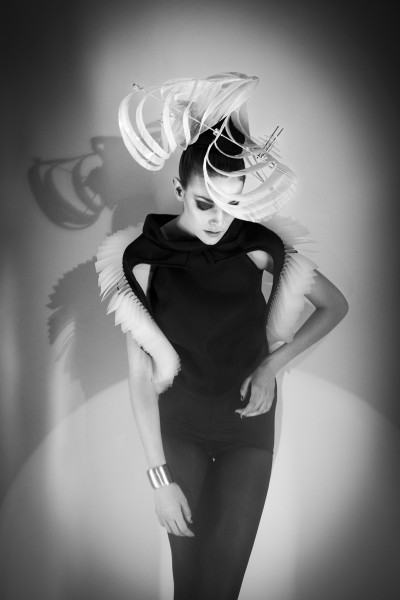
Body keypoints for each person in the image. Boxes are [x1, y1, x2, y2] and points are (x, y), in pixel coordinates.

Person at [96, 73, 348, 600]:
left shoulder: (258, 247)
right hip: (180, 426)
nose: (218, 220)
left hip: (247, 430)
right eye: (204, 203)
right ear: (179, 191)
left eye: (232, 204)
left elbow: (334, 305)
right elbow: (140, 376)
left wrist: (272, 365)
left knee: (222, 586)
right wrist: (159, 480)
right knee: (189, 585)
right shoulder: (141, 260)